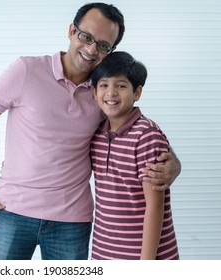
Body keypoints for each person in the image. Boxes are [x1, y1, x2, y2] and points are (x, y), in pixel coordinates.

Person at [0, 3, 181, 260]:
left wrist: (173, 162)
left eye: (103, 45)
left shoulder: (102, 93)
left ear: (111, 51)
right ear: (71, 31)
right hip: (12, 211)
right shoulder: (25, 71)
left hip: (71, 223)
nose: (91, 49)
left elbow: (136, 131)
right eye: (86, 37)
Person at [90, 51, 179, 260]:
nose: (111, 93)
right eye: (104, 85)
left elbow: (155, 206)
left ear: (137, 92)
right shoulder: (96, 135)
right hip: (104, 252)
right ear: (94, 93)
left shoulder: (146, 136)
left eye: (121, 86)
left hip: (146, 256)